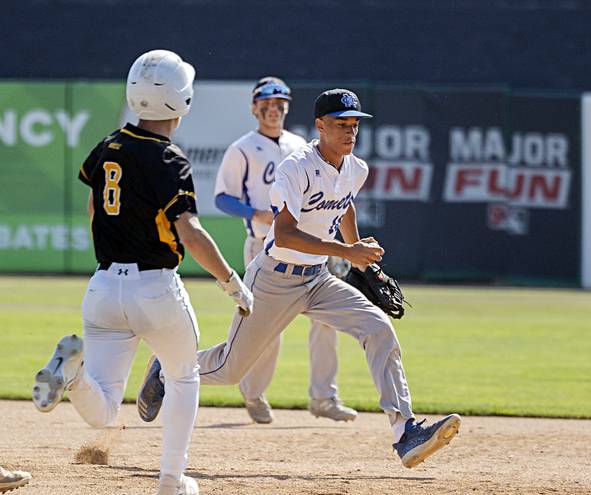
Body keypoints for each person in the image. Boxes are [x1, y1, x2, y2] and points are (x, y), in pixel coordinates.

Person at [140, 89, 461, 468]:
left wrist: (356, 248)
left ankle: (405, 432)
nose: (350, 131)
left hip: (317, 280)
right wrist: (347, 252)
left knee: (378, 328)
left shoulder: (356, 168)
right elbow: (285, 234)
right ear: (320, 126)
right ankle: (166, 368)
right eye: (341, 124)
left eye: (355, 124)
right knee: (230, 370)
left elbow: (343, 203)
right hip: (274, 278)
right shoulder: (295, 167)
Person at [30, 50, 253, 495]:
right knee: (184, 375)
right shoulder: (169, 157)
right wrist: (231, 281)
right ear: (182, 99)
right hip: (155, 287)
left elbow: (96, 207)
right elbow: (190, 233)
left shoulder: (110, 144)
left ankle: (71, 373)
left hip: (104, 286)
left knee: (105, 408)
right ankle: (170, 485)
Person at [210, 76, 355, 424]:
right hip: (264, 247)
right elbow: (222, 197)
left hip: (311, 247)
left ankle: (324, 397)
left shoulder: (300, 145)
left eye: (280, 104)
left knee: (326, 322)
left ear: (287, 108)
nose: (273, 110)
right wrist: (253, 212)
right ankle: (255, 394)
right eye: (266, 104)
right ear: (254, 108)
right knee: (266, 330)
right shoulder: (242, 148)